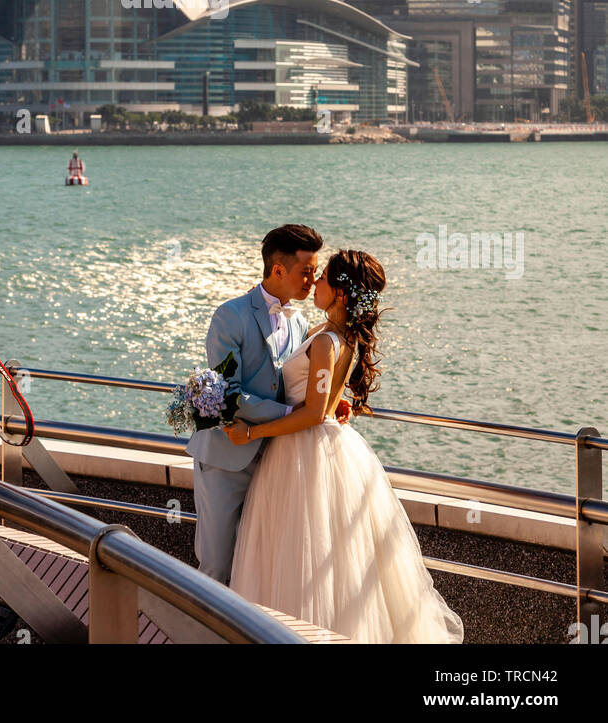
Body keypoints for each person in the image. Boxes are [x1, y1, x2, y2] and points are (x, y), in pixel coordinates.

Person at [225, 248, 464, 643]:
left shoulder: (326, 341)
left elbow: (315, 413)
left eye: (322, 279)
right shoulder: (333, 334)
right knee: (327, 558)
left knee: (303, 554)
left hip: (304, 452)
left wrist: (250, 434)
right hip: (321, 450)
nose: (314, 284)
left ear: (338, 292)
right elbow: (324, 400)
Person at [186, 224, 350, 586]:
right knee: (215, 566)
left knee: (256, 568)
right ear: (278, 270)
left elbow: (296, 381)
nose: (312, 280)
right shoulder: (230, 315)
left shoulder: (301, 322)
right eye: (306, 272)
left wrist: (328, 403)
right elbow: (230, 394)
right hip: (227, 458)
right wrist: (301, 415)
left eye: (315, 273)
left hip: (276, 462)